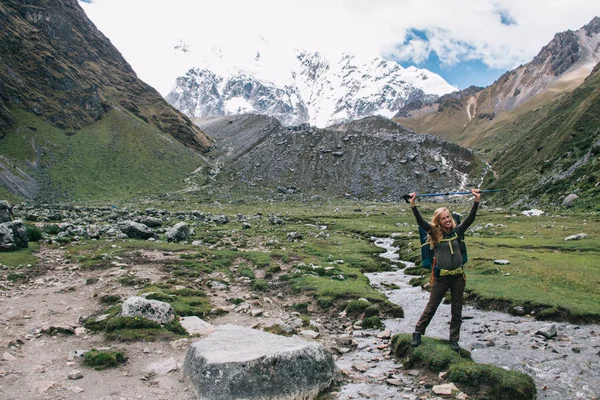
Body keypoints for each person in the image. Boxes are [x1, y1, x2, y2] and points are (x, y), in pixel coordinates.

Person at [408, 188, 481, 351]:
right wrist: (413, 205)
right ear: (438, 221)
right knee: (432, 306)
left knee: (457, 309)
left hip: (458, 278)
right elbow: (421, 223)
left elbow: (470, 219)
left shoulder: (458, 232)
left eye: (448, 217)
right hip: (441, 277)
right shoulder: (434, 234)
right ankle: (418, 332)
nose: (447, 220)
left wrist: (476, 201)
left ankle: (454, 340)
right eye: (443, 218)